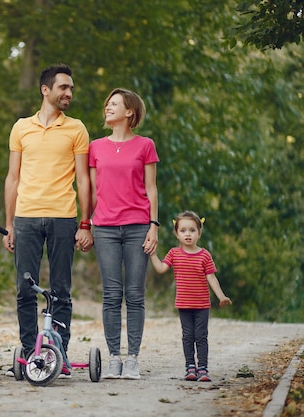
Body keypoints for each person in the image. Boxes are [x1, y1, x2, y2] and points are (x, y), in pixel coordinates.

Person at [3, 63, 93, 378]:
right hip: (26, 217)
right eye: (63, 88)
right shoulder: (21, 128)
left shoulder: (77, 128)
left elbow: (83, 180)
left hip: (63, 217)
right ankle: (31, 355)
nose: (68, 93)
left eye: (70, 88)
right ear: (46, 90)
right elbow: (12, 178)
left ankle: (59, 353)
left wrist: (86, 223)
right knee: (24, 289)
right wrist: (9, 223)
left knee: (60, 290)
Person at [88, 88, 159, 380]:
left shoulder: (145, 145)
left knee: (134, 294)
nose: (108, 107)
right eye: (107, 103)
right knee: (111, 295)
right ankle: (114, 357)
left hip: (138, 226)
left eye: (114, 104)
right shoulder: (95, 147)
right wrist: (84, 224)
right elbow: (92, 191)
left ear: (129, 112)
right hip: (104, 228)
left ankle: (133, 359)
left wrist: (154, 225)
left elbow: (152, 189)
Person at [150, 210, 232, 382]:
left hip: (202, 305)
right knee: (187, 336)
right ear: (177, 233)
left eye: (192, 230)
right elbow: (161, 269)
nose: (188, 234)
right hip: (184, 304)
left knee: (201, 336)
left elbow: (211, 277)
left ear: (199, 233)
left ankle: (203, 368)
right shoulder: (174, 253)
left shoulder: (204, 255)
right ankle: (190, 367)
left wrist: (221, 296)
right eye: (183, 230)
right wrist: (152, 255)